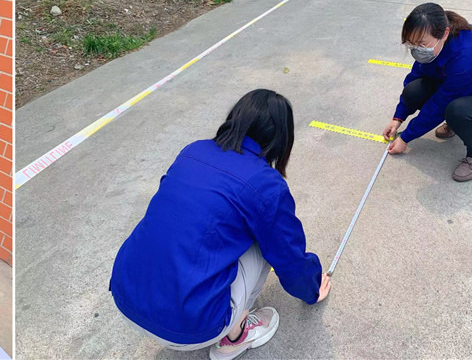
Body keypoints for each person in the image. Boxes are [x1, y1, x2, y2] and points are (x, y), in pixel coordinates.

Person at [109, 89, 332, 360]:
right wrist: (312, 288)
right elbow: (288, 256)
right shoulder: (266, 183)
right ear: (281, 138)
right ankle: (235, 337)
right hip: (191, 327)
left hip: (125, 297)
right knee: (266, 239)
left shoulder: (193, 150)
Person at [382, 2, 472, 182]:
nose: (417, 50)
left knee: (457, 111)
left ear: (445, 33)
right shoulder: (434, 44)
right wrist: (398, 118)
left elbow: (439, 105)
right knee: (413, 91)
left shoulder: (466, 57)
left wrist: (406, 138)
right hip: (465, 86)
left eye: (422, 44)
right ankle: (456, 123)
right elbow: (415, 76)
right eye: (412, 44)